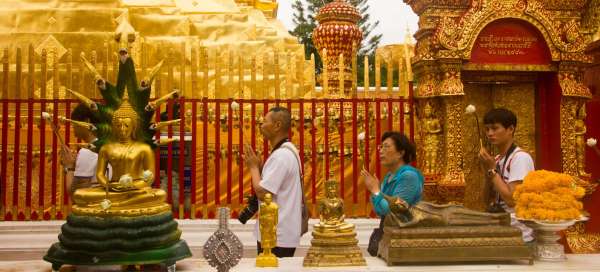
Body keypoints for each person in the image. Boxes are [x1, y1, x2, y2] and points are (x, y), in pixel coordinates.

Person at [243, 107, 302, 258]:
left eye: (264, 122)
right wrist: (261, 167)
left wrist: (254, 168)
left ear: (277, 125)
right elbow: (277, 184)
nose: (261, 125)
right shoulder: (288, 151)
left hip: (275, 233)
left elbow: (263, 193)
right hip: (281, 231)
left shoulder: (281, 156)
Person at [478, 108, 534, 243]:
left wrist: (492, 170)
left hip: (520, 235)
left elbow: (512, 200)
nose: (490, 133)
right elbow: (486, 200)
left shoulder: (520, 158)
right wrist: (487, 173)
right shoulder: (496, 159)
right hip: (501, 230)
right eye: (487, 129)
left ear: (510, 129)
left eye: (495, 128)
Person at [361, 131, 424, 217]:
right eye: (381, 147)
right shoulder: (389, 176)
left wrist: (375, 190)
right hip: (389, 228)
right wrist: (374, 191)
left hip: (404, 229)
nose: (381, 151)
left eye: (386, 147)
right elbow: (378, 211)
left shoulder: (409, 176)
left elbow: (391, 212)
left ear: (400, 153)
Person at [59, 104, 111, 197]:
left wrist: (69, 167)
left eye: (74, 123)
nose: (73, 127)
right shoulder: (110, 144)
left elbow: (76, 194)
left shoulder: (88, 151)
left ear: (86, 122)